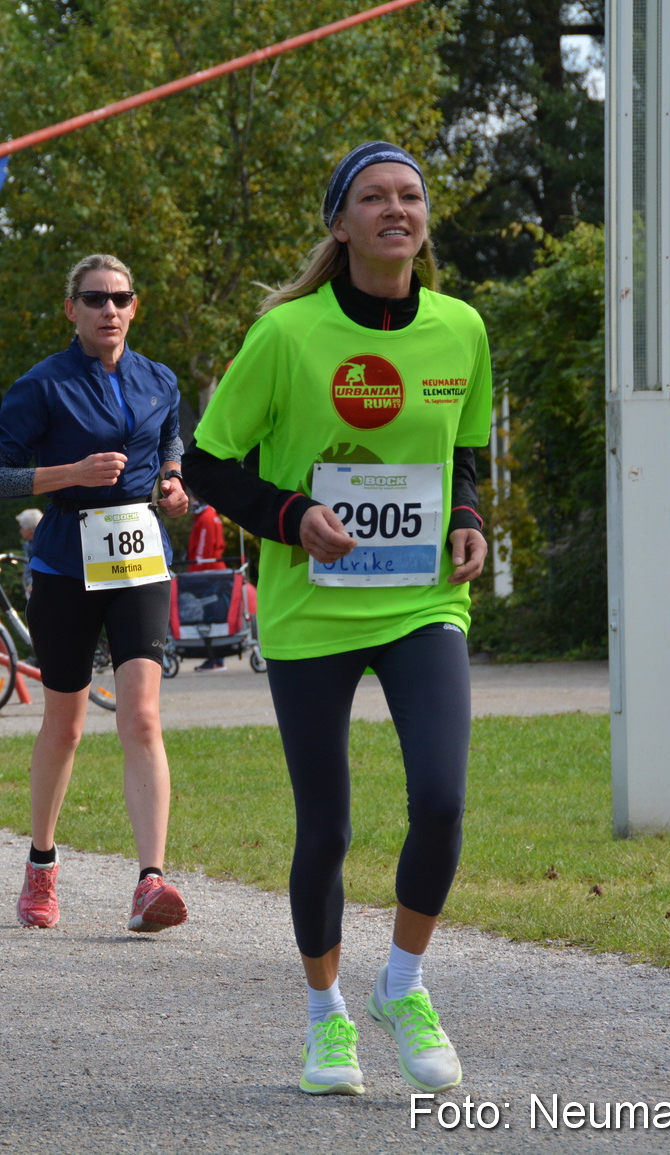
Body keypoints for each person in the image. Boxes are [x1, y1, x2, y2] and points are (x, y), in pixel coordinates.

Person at [186, 142, 490, 1097]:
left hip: (420, 602)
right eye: (374, 197)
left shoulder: (462, 329)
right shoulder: (286, 336)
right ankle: (326, 1019)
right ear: (340, 223)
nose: (396, 209)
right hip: (312, 610)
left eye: (410, 195)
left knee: (441, 799)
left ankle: (403, 984)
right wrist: (290, 517)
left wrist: (471, 518)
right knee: (328, 828)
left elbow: (466, 449)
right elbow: (207, 464)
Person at [0, 253, 191, 933]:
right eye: (94, 298)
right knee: (66, 724)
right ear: (70, 307)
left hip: (138, 562)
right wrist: (72, 471)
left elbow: (170, 443)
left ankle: (149, 881)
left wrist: (174, 481)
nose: (109, 309)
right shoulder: (40, 386)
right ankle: (41, 863)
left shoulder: (158, 378)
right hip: (67, 562)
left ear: (135, 306)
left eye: (120, 297)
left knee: (143, 716)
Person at [187, 501, 230, 670]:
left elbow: (203, 552)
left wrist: (195, 577)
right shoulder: (211, 516)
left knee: (209, 618)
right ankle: (216, 658)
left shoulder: (206, 518)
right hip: (214, 574)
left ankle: (214, 659)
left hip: (208, 576)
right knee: (215, 616)